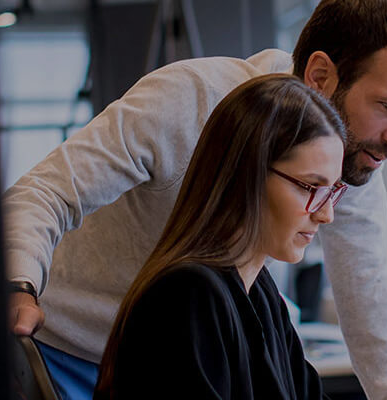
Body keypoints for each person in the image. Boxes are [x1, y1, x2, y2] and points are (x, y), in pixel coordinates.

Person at [0, 1, 387, 399]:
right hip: (49, 335)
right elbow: (43, 192)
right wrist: (16, 286)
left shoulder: (348, 158)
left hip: (180, 345)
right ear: (321, 75)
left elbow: (372, 303)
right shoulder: (187, 100)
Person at [95, 74, 344, 400]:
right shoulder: (188, 295)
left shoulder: (260, 290)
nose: (326, 214)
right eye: (311, 187)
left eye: (332, 191)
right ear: (248, 174)